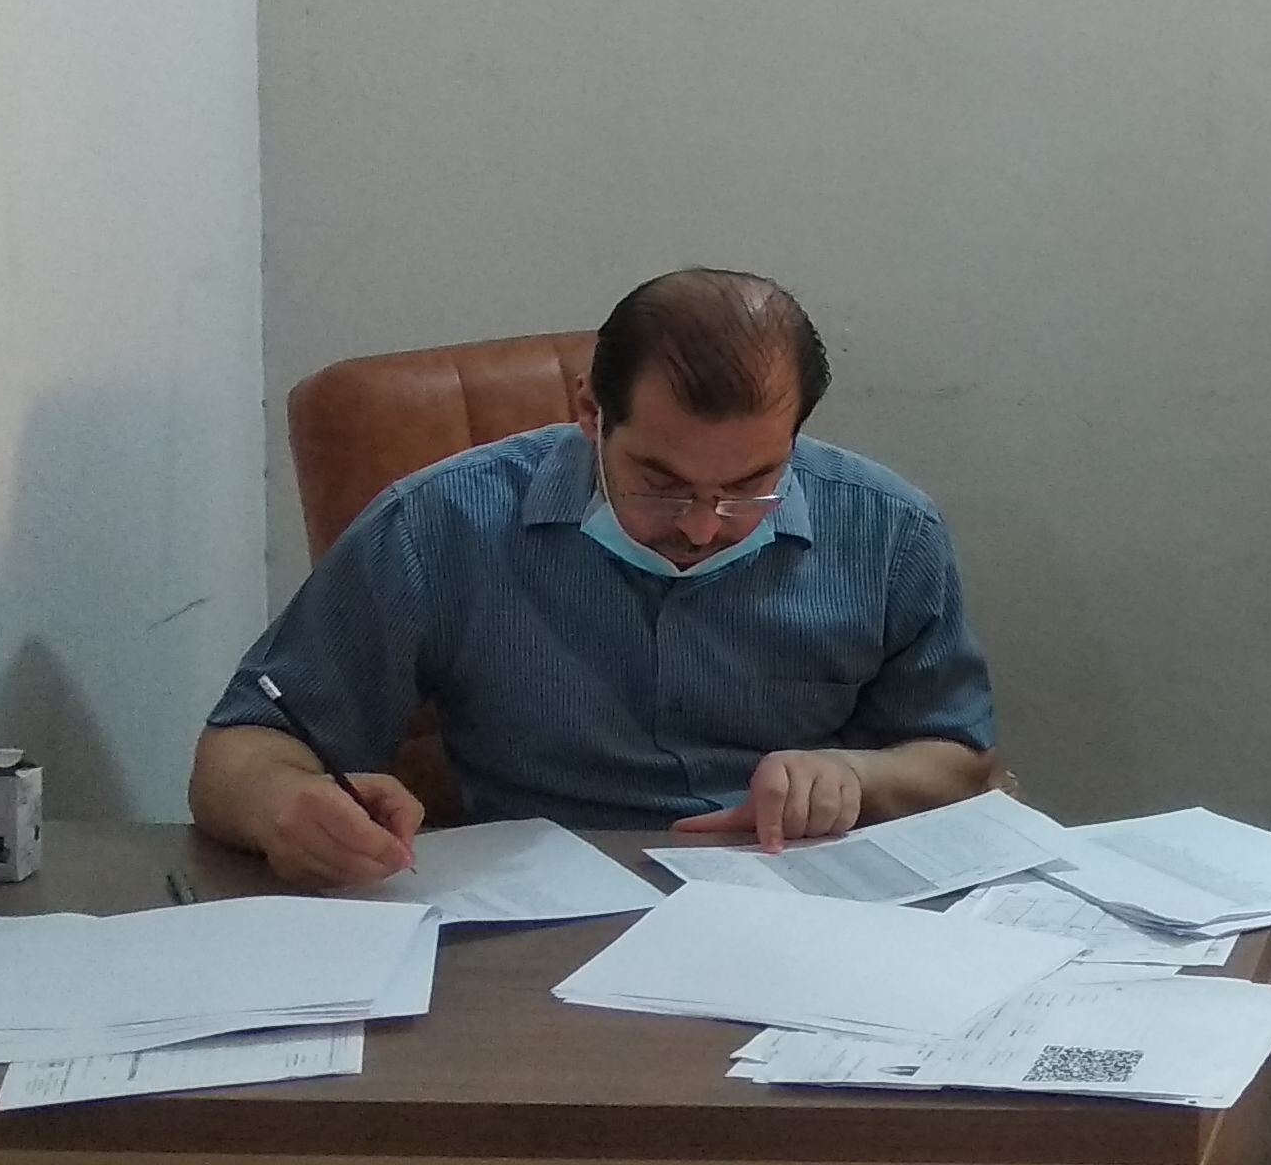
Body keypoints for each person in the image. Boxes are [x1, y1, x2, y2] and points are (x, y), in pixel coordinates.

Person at [192, 268, 1001, 887]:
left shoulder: (888, 529)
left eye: (751, 483)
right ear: (591, 413)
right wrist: (281, 806)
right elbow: (239, 750)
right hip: (540, 916)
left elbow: (960, 760)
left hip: (802, 901)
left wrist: (856, 775)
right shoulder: (441, 523)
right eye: (661, 481)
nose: (702, 525)